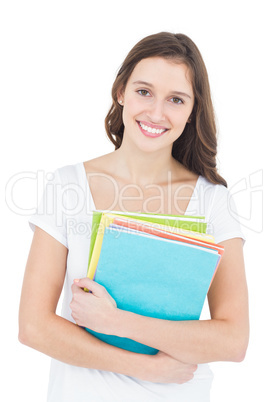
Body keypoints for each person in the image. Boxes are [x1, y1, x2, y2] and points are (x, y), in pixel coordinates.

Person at [19, 32, 249, 401]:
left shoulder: (212, 201)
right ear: (121, 92)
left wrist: (116, 322)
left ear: (192, 111)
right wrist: (146, 367)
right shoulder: (68, 186)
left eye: (176, 99)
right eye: (144, 92)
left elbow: (234, 340)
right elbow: (33, 326)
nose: (156, 113)